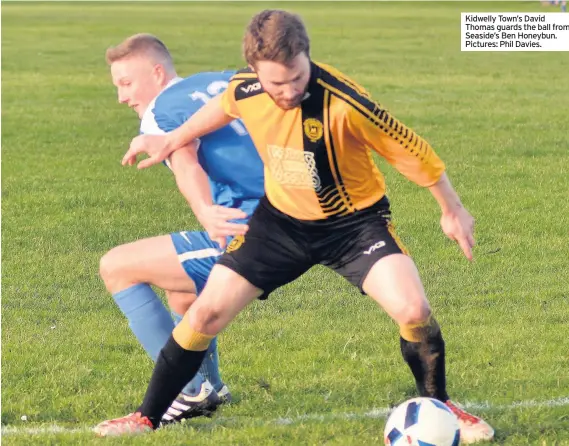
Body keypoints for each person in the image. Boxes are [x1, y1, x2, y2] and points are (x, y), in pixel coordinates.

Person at [95, 11, 495, 443]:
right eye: (275, 83)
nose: (287, 91)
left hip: (354, 226)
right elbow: (222, 107)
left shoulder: (344, 101)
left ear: (307, 58)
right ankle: (146, 417)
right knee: (205, 312)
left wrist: (451, 209)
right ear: (254, 71)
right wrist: (172, 140)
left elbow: (412, 149)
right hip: (279, 224)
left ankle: (442, 406)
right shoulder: (245, 87)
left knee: (413, 310)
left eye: (296, 78)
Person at [100, 33, 264, 424]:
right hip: (295, 207)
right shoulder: (219, 80)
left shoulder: (159, 113)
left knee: (116, 266)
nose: (122, 97)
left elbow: (186, 161)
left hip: (257, 232)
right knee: (182, 291)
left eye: (126, 83)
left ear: (156, 73)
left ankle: (186, 389)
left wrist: (206, 210)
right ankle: (209, 387)